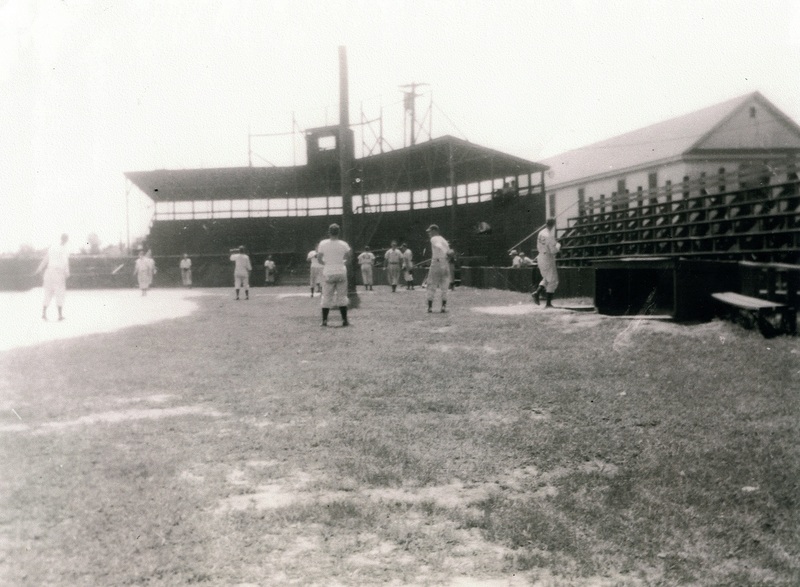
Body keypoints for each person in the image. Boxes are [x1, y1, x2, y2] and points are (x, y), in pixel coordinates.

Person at [316, 223, 351, 327]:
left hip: (329, 271)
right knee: (342, 296)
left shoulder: (323, 243)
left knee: (326, 296)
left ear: (329, 232)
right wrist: (342, 263)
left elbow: (319, 259)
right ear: (339, 232)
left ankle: (324, 320)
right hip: (341, 270)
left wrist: (327, 264)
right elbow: (349, 258)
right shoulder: (344, 244)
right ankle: (344, 320)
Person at [36, 233, 70, 320]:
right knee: (60, 293)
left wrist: (39, 269)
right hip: (58, 273)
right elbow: (65, 262)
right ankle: (59, 315)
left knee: (48, 292)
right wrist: (67, 273)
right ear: (66, 240)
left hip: (48, 272)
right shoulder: (64, 249)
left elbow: (45, 259)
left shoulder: (52, 248)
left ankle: (44, 313)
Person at [532, 218, 561, 308]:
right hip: (547, 257)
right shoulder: (549, 235)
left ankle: (537, 293)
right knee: (553, 280)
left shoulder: (541, 232)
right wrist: (558, 246)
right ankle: (548, 303)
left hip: (540, 256)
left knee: (547, 278)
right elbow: (553, 251)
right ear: (553, 225)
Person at [425, 224, 451, 313]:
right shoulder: (444, 239)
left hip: (436, 263)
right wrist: (448, 253)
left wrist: (445, 252)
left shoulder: (434, 238)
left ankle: (430, 307)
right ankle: (443, 306)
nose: (429, 233)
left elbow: (439, 245)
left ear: (434, 230)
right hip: (445, 263)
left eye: (430, 231)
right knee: (445, 285)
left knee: (431, 284)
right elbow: (448, 251)